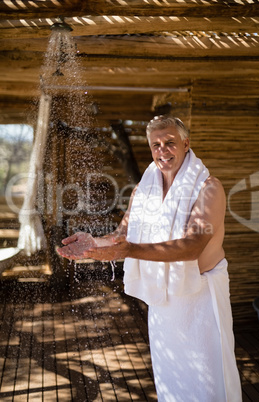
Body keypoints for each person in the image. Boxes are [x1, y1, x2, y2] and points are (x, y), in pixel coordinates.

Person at [58, 115, 242, 402]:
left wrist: (130, 250)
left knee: (207, 379)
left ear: (185, 144)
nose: (163, 150)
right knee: (171, 376)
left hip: (201, 297)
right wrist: (94, 242)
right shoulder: (144, 190)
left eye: (170, 143)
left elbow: (192, 246)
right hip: (163, 299)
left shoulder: (209, 189)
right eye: (156, 145)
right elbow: (123, 233)